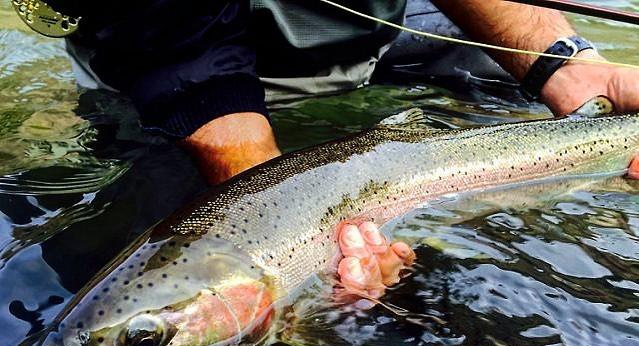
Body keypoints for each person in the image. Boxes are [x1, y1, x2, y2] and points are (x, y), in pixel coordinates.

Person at [36, 0, 639, 296]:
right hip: (169, 59)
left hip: (362, 33)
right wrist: (284, 235)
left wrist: (564, 66)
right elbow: (185, 52)